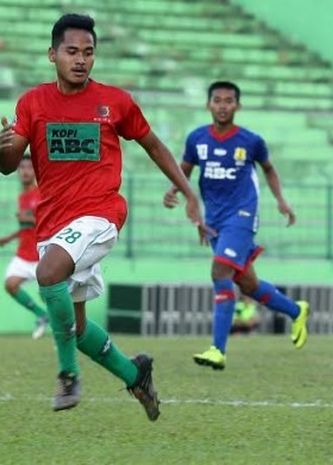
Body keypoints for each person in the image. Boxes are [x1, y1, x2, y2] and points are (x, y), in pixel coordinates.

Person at [0, 14, 206, 420]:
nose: (81, 60)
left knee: (47, 273)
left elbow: (154, 145)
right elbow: (8, 165)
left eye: (88, 52)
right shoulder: (32, 103)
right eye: (72, 51)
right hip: (55, 223)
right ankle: (136, 374)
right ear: (52, 54)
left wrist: (188, 191)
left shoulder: (115, 101)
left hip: (101, 213)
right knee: (75, 329)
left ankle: (67, 376)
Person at [163, 81, 309, 371]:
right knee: (247, 283)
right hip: (215, 219)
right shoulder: (197, 139)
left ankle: (218, 349)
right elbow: (186, 170)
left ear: (237, 106)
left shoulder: (250, 141)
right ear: (209, 104)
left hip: (242, 214)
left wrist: (281, 200)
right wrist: (175, 189)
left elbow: (268, 168)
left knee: (220, 271)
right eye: (217, 100)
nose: (222, 105)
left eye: (229, 101)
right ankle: (296, 311)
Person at [0, 156, 49, 339]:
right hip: (23, 253)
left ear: (35, 171)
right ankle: (41, 315)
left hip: (41, 255)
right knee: (10, 284)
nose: (25, 171)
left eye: (29, 167)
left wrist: (29, 218)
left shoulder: (41, 194)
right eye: (22, 167)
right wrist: (9, 238)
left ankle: (66, 329)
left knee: (51, 296)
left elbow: (48, 222)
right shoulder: (22, 197)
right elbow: (26, 227)